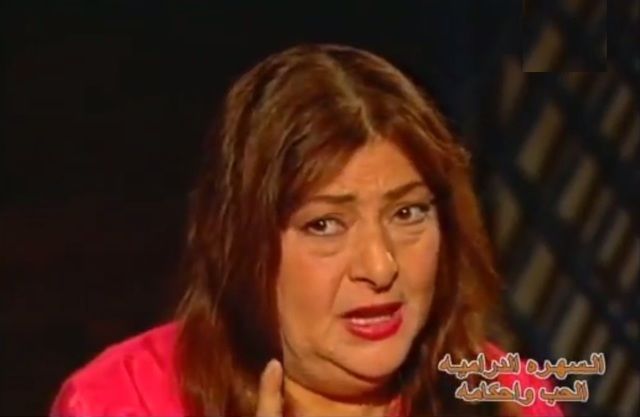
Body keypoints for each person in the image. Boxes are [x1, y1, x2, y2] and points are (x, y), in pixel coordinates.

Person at [50, 44, 563, 417]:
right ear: (240, 243)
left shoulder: (507, 396)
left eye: (408, 213)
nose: (380, 266)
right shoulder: (120, 401)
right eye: (325, 224)